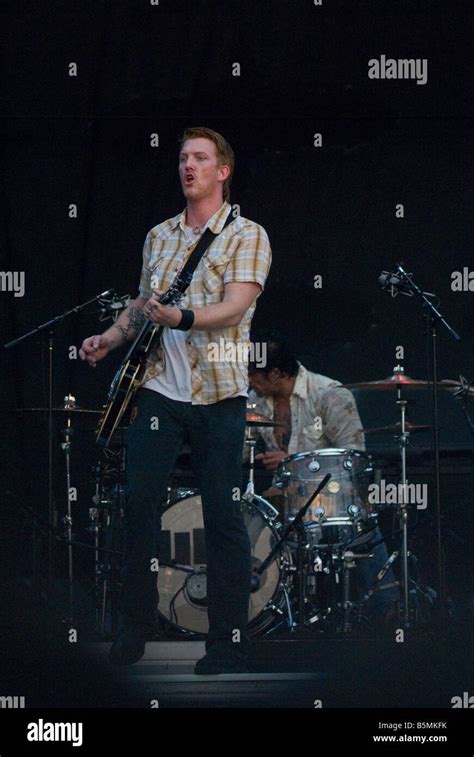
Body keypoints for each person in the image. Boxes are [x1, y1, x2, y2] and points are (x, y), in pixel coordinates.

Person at [80, 127, 272, 673]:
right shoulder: (159, 235)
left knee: (223, 516)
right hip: (160, 389)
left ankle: (227, 642)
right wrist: (109, 339)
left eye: (200, 158)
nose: (188, 166)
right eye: (184, 157)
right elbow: (141, 308)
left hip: (219, 394)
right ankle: (132, 630)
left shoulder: (247, 234)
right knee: (138, 507)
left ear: (222, 171)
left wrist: (182, 316)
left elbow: (235, 308)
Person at [247, 337, 399, 622]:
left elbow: (354, 454)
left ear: (276, 374)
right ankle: (259, 615)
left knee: (357, 523)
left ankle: (387, 605)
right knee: (247, 525)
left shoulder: (329, 393)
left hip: (331, 493)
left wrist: (291, 459)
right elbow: (244, 446)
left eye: (253, 374)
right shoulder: (257, 401)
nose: (248, 381)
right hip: (283, 497)